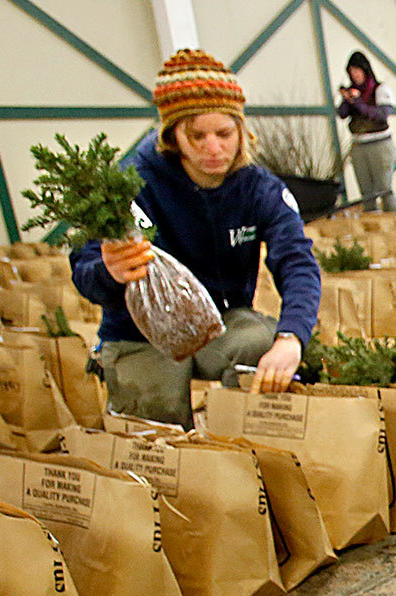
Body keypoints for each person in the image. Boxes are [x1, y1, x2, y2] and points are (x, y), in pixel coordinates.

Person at [71, 48, 322, 426]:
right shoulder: (132, 183)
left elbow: (297, 261)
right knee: (155, 434)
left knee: (263, 345)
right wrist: (108, 272)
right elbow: (85, 265)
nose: (213, 148)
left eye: (224, 133)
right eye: (197, 135)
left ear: (241, 130)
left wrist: (291, 338)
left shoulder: (258, 189)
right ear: (173, 136)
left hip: (220, 321)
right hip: (141, 333)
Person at [336, 49, 396, 212]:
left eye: (357, 71)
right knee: (366, 189)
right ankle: (371, 219)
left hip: (379, 143)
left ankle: (392, 217)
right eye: (351, 72)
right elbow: (342, 114)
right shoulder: (353, 92)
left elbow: (381, 114)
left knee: (384, 187)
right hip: (359, 144)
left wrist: (358, 102)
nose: (355, 75)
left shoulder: (380, 89)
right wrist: (347, 100)